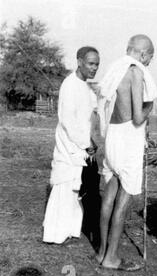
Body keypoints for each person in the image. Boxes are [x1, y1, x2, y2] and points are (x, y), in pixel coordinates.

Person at [96, 34, 157, 271]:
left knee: (109, 195)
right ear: (143, 54)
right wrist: (151, 104)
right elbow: (139, 117)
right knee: (125, 198)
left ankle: (102, 251)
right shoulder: (135, 71)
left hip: (112, 136)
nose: (150, 62)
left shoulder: (115, 69)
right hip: (128, 140)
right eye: (151, 57)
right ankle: (112, 257)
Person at [43, 46, 100, 244]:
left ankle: (69, 230)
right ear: (79, 61)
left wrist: (91, 140)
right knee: (64, 187)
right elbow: (68, 120)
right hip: (69, 145)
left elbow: (87, 118)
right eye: (91, 63)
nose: (94, 68)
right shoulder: (70, 84)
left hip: (81, 145)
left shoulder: (84, 86)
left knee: (75, 189)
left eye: (97, 65)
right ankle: (54, 234)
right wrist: (85, 143)